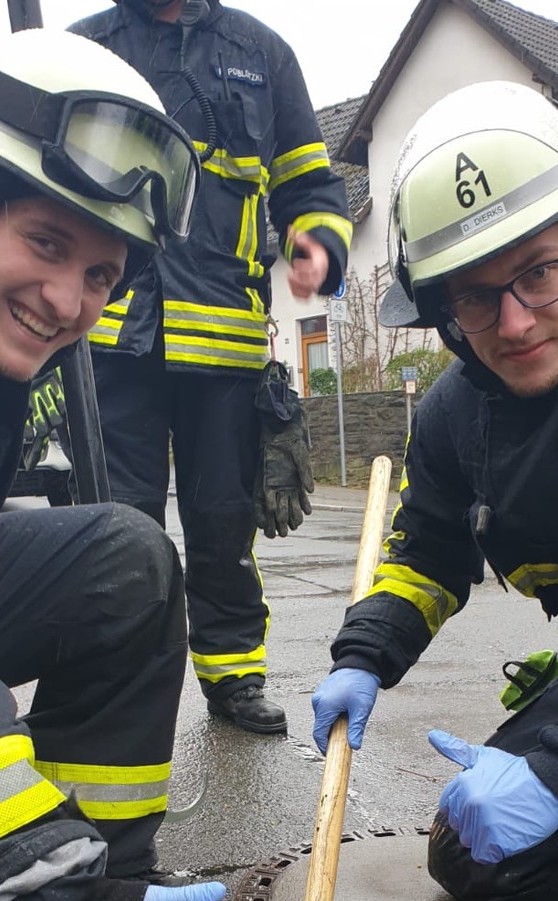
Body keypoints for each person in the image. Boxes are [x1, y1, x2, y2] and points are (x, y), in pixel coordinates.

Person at [0, 27, 226, 901]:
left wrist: (88, 884)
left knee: (122, 557)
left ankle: (104, 866)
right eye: (46, 243)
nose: (65, 300)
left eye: (100, 275)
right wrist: (52, 896)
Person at [311, 80, 558, 901]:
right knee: (481, 858)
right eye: (475, 295)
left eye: (538, 273)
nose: (513, 324)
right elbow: (430, 555)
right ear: (441, 311)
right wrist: (363, 655)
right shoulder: (453, 418)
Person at [67, 0, 352, 735]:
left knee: (225, 525)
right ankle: (116, 670)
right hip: (111, 337)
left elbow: (311, 188)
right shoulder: (84, 48)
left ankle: (232, 676)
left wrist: (316, 244)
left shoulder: (263, 55)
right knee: (114, 524)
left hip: (225, 347)